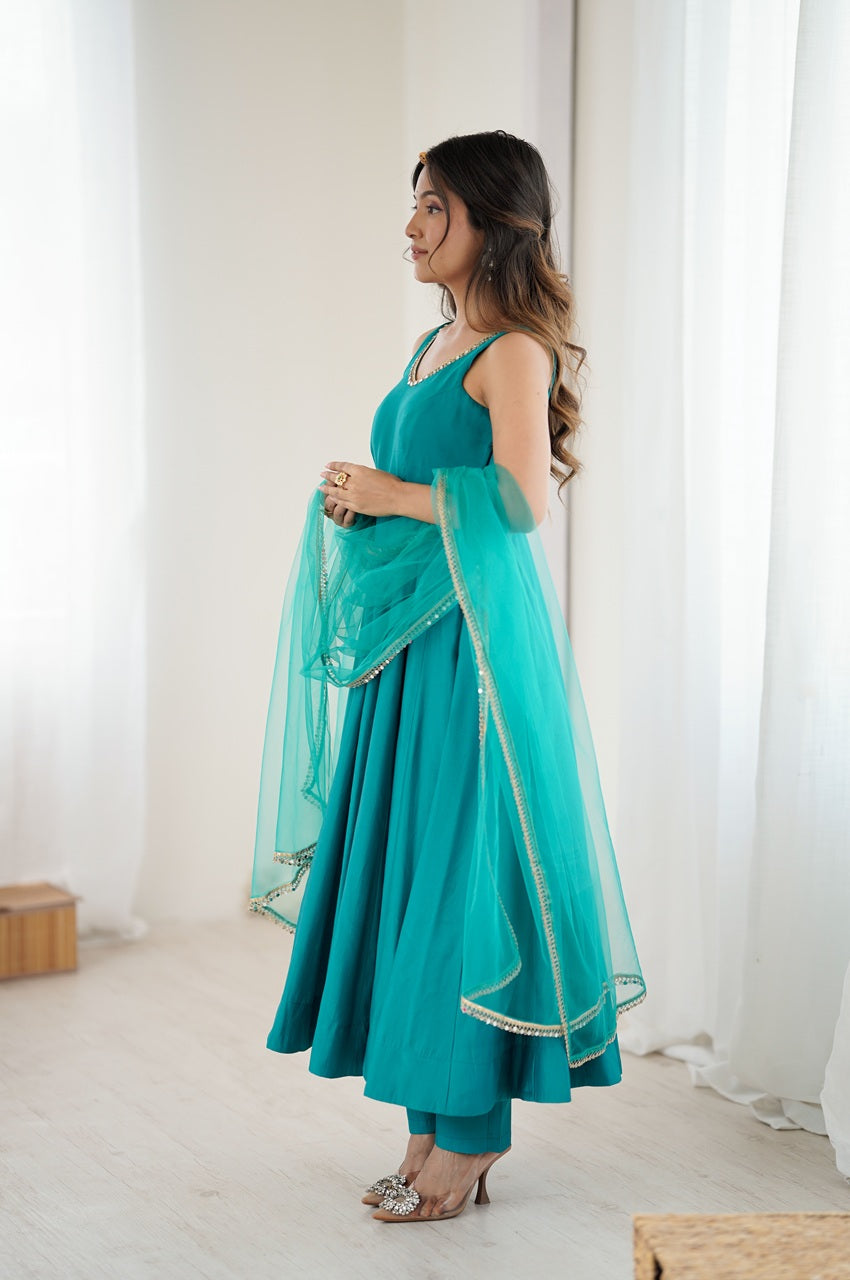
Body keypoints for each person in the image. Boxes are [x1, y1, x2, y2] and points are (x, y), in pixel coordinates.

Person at [250, 130, 645, 1225]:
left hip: (471, 649)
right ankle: (425, 1120)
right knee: (409, 877)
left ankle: (468, 1137)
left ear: (492, 218)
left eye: (433, 206)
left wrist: (387, 493)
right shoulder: (434, 343)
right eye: (413, 204)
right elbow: (430, 482)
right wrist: (363, 499)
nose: (413, 224)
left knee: (459, 883)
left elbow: (520, 499)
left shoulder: (512, 348)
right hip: (410, 643)